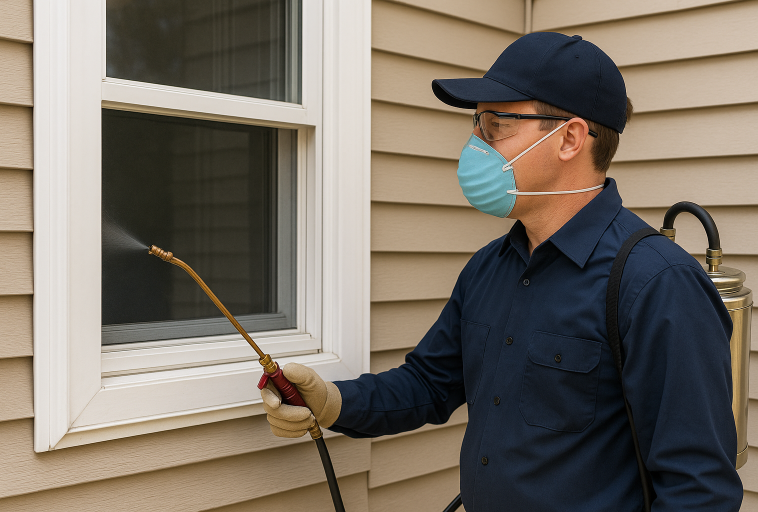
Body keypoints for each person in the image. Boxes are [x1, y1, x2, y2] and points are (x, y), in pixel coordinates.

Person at [260, 32, 743, 511]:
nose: (476, 143)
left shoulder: (657, 283)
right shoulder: (489, 267)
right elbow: (429, 384)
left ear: (570, 138)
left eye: (495, 124)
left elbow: (697, 492)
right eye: (476, 122)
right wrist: (330, 401)